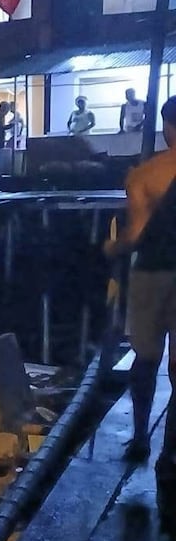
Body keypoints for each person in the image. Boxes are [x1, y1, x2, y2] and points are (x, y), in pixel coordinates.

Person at [106, 97, 176, 509]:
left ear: (167, 126)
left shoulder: (143, 176)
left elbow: (136, 236)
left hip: (152, 274)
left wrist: (110, 246)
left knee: (146, 358)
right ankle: (172, 455)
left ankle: (138, 438)